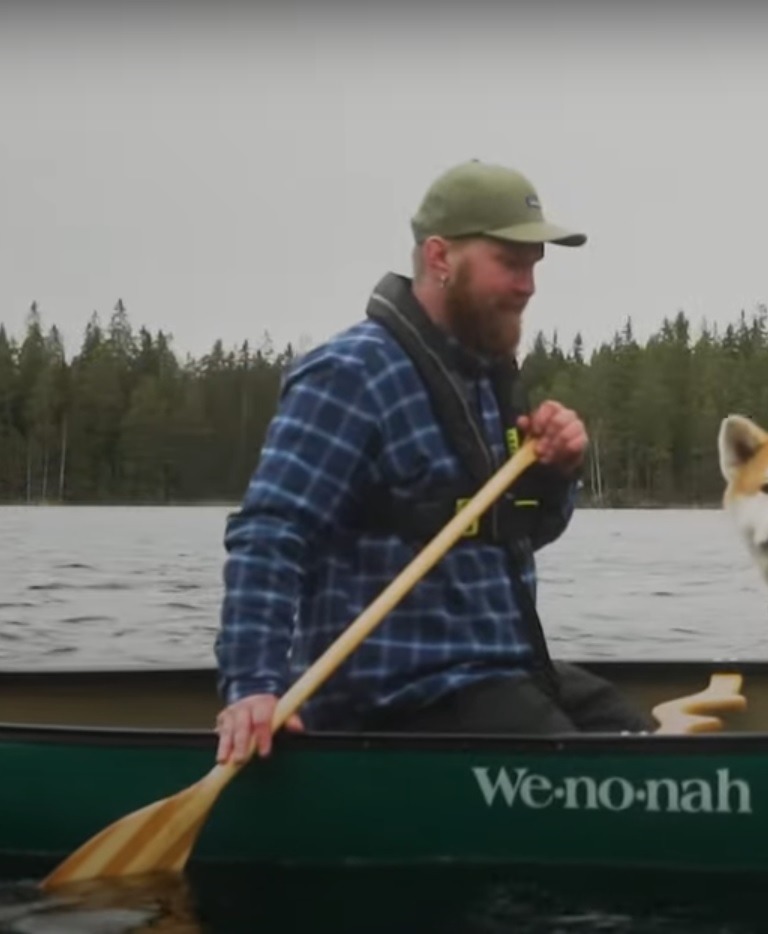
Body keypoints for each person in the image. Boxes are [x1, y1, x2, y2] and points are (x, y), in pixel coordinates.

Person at [212, 160, 655, 763]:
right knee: (594, 773)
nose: (528, 285)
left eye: (533, 267)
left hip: (502, 671)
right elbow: (270, 532)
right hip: (395, 695)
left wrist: (555, 471)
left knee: (638, 742)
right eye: (510, 263)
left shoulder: (485, 379)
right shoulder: (350, 375)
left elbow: (523, 533)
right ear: (442, 258)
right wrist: (252, 686)